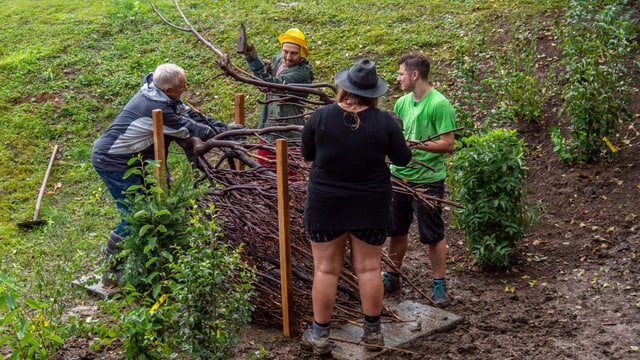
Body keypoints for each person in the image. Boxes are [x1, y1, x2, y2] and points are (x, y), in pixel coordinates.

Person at [300, 59, 412, 355]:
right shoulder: (386, 121)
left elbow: (307, 154)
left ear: (343, 88)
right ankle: (373, 334)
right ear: (373, 92)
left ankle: (320, 336)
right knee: (369, 268)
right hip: (370, 204)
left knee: (325, 270)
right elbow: (403, 159)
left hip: (326, 203)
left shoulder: (320, 117)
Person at [91, 63, 237, 287]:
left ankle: (141, 260)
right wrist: (225, 134)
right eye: (182, 86)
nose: (186, 89)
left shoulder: (163, 97)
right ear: (168, 90)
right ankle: (112, 270)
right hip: (112, 160)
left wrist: (225, 127)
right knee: (135, 215)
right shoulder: (156, 107)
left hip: (130, 159)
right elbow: (190, 128)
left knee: (147, 209)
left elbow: (194, 116)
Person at [383, 52, 457, 305]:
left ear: (415, 75)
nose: (398, 78)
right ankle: (392, 275)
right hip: (398, 176)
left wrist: (416, 145)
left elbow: (448, 144)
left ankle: (439, 284)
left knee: (432, 233)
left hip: (427, 179)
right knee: (396, 229)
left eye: (401, 73)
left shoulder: (439, 105)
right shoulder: (402, 103)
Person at [242, 28, 314, 165]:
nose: (288, 57)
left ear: (302, 54)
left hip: (288, 132)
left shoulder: (302, 74)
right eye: (285, 51)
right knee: (264, 172)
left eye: (294, 53)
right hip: (267, 125)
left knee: (288, 177)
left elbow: (275, 85)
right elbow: (266, 83)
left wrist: (253, 61)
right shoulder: (278, 60)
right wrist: (264, 72)